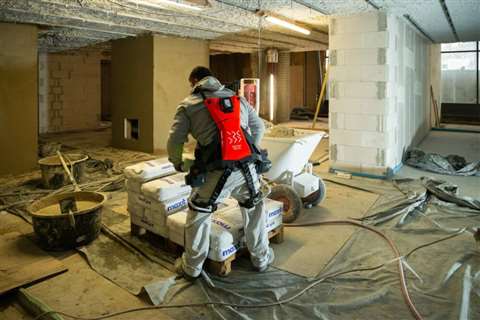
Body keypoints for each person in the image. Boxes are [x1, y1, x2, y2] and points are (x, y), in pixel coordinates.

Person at [167, 66, 274, 280]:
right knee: (254, 207)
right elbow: (259, 127)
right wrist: (245, 150)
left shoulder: (189, 105)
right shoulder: (237, 99)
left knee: (199, 212)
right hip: (247, 167)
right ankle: (261, 259)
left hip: (217, 170)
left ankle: (192, 268)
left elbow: (175, 140)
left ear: (195, 80)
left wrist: (177, 162)